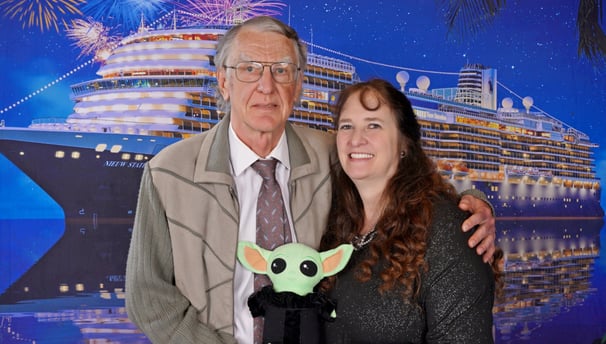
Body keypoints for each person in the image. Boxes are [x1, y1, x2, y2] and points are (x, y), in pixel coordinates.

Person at [125, 16, 496, 344]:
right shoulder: (167, 173)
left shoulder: (332, 155)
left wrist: (472, 201)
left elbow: (398, 175)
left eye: (282, 70)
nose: (266, 86)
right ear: (223, 82)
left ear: (298, 85)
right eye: (249, 68)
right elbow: (147, 295)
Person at [321, 79, 495, 343]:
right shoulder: (334, 222)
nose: (356, 139)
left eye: (374, 125)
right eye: (346, 126)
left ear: (405, 143)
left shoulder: (446, 230)